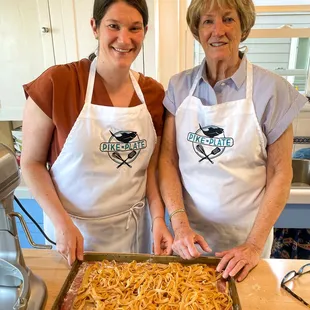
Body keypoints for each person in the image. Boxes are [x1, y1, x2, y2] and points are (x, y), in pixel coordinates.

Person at [159, 0, 308, 281]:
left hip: (245, 245)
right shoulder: (179, 86)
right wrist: (179, 226)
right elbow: (167, 160)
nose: (218, 30)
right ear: (197, 30)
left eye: (228, 19)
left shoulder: (273, 90)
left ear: (243, 27)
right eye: (207, 21)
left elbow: (280, 172)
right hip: (188, 241)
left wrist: (252, 245)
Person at [21, 0, 173, 266]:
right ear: (95, 27)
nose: (124, 39)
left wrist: (159, 219)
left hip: (134, 235)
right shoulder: (58, 83)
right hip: (74, 234)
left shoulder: (153, 94)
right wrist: (62, 224)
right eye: (113, 26)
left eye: (134, 28)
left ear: (144, 32)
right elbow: (31, 163)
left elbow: (149, 168)